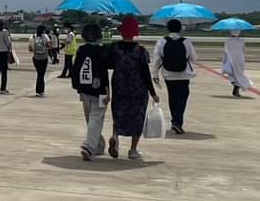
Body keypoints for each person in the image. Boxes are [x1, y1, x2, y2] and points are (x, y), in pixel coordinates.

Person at [105, 16, 158, 160]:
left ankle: (115, 136)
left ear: (121, 32)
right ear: (135, 33)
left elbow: (108, 65)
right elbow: (146, 74)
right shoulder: (141, 51)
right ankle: (133, 149)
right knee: (137, 117)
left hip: (119, 85)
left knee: (119, 114)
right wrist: (153, 93)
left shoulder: (114, 48)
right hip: (138, 88)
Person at [71, 22, 110, 160]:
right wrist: (108, 91)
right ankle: (91, 146)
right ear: (99, 36)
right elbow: (104, 73)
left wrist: (78, 87)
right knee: (96, 118)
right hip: (99, 91)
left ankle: (97, 144)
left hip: (84, 90)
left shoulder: (81, 50)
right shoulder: (102, 51)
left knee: (91, 119)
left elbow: (75, 69)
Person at [151, 19, 195, 134]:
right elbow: (194, 58)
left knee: (172, 97)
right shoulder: (186, 42)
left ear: (168, 28)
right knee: (182, 98)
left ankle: (174, 121)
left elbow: (156, 58)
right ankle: (177, 122)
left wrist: (155, 74)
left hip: (168, 74)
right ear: (180, 28)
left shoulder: (162, 41)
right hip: (184, 75)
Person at [222, 29, 253, 97]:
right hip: (240, 59)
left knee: (232, 75)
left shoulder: (228, 40)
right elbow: (243, 50)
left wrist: (224, 60)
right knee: (239, 74)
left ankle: (235, 85)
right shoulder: (242, 40)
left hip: (231, 59)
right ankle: (236, 90)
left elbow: (225, 51)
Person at [28, 25, 52, 96]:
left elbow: (30, 49)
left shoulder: (32, 37)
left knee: (40, 74)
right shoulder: (45, 37)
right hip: (44, 58)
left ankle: (40, 91)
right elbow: (50, 47)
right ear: (43, 31)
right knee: (41, 75)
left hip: (36, 58)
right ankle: (40, 91)